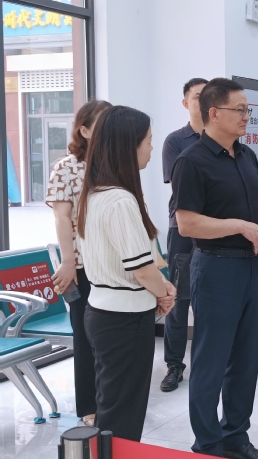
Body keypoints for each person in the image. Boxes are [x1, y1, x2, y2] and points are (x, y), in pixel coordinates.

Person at [171, 77, 258, 459]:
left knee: (245, 361)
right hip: (216, 270)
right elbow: (187, 224)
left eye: (247, 110)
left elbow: (257, 200)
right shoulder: (191, 161)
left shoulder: (247, 155)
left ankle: (236, 437)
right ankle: (207, 445)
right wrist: (240, 226)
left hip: (250, 267)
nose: (246, 116)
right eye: (240, 110)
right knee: (211, 362)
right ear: (214, 113)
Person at [76, 106, 176, 441]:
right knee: (123, 415)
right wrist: (165, 292)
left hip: (104, 312)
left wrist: (159, 289)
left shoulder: (95, 193)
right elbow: (142, 270)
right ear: (127, 146)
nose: (151, 147)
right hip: (124, 319)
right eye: (148, 140)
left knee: (113, 406)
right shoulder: (120, 200)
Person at [46, 99, 111, 427]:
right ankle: (89, 407)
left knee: (112, 338)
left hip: (114, 264)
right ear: (83, 130)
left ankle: (111, 402)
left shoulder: (116, 164)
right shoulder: (66, 167)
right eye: (101, 123)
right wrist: (68, 261)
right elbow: (62, 218)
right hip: (84, 266)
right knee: (86, 339)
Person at [159, 77, 208, 393]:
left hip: (218, 230)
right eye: (197, 96)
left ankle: (207, 364)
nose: (202, 101)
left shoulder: (225, 139)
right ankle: (174, 366)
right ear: (185, 102)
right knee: (178, 303)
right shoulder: (176, 141)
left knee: (210, 303)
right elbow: (182, 187)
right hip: (183, 231)